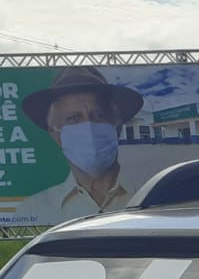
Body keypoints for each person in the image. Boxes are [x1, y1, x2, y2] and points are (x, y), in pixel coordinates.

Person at [16, 67, 144, 222]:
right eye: (74, 118)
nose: (89, 127)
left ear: (117, 127)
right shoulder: (33, 208)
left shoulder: (151, 195)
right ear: (55, 135)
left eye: (100, 115)